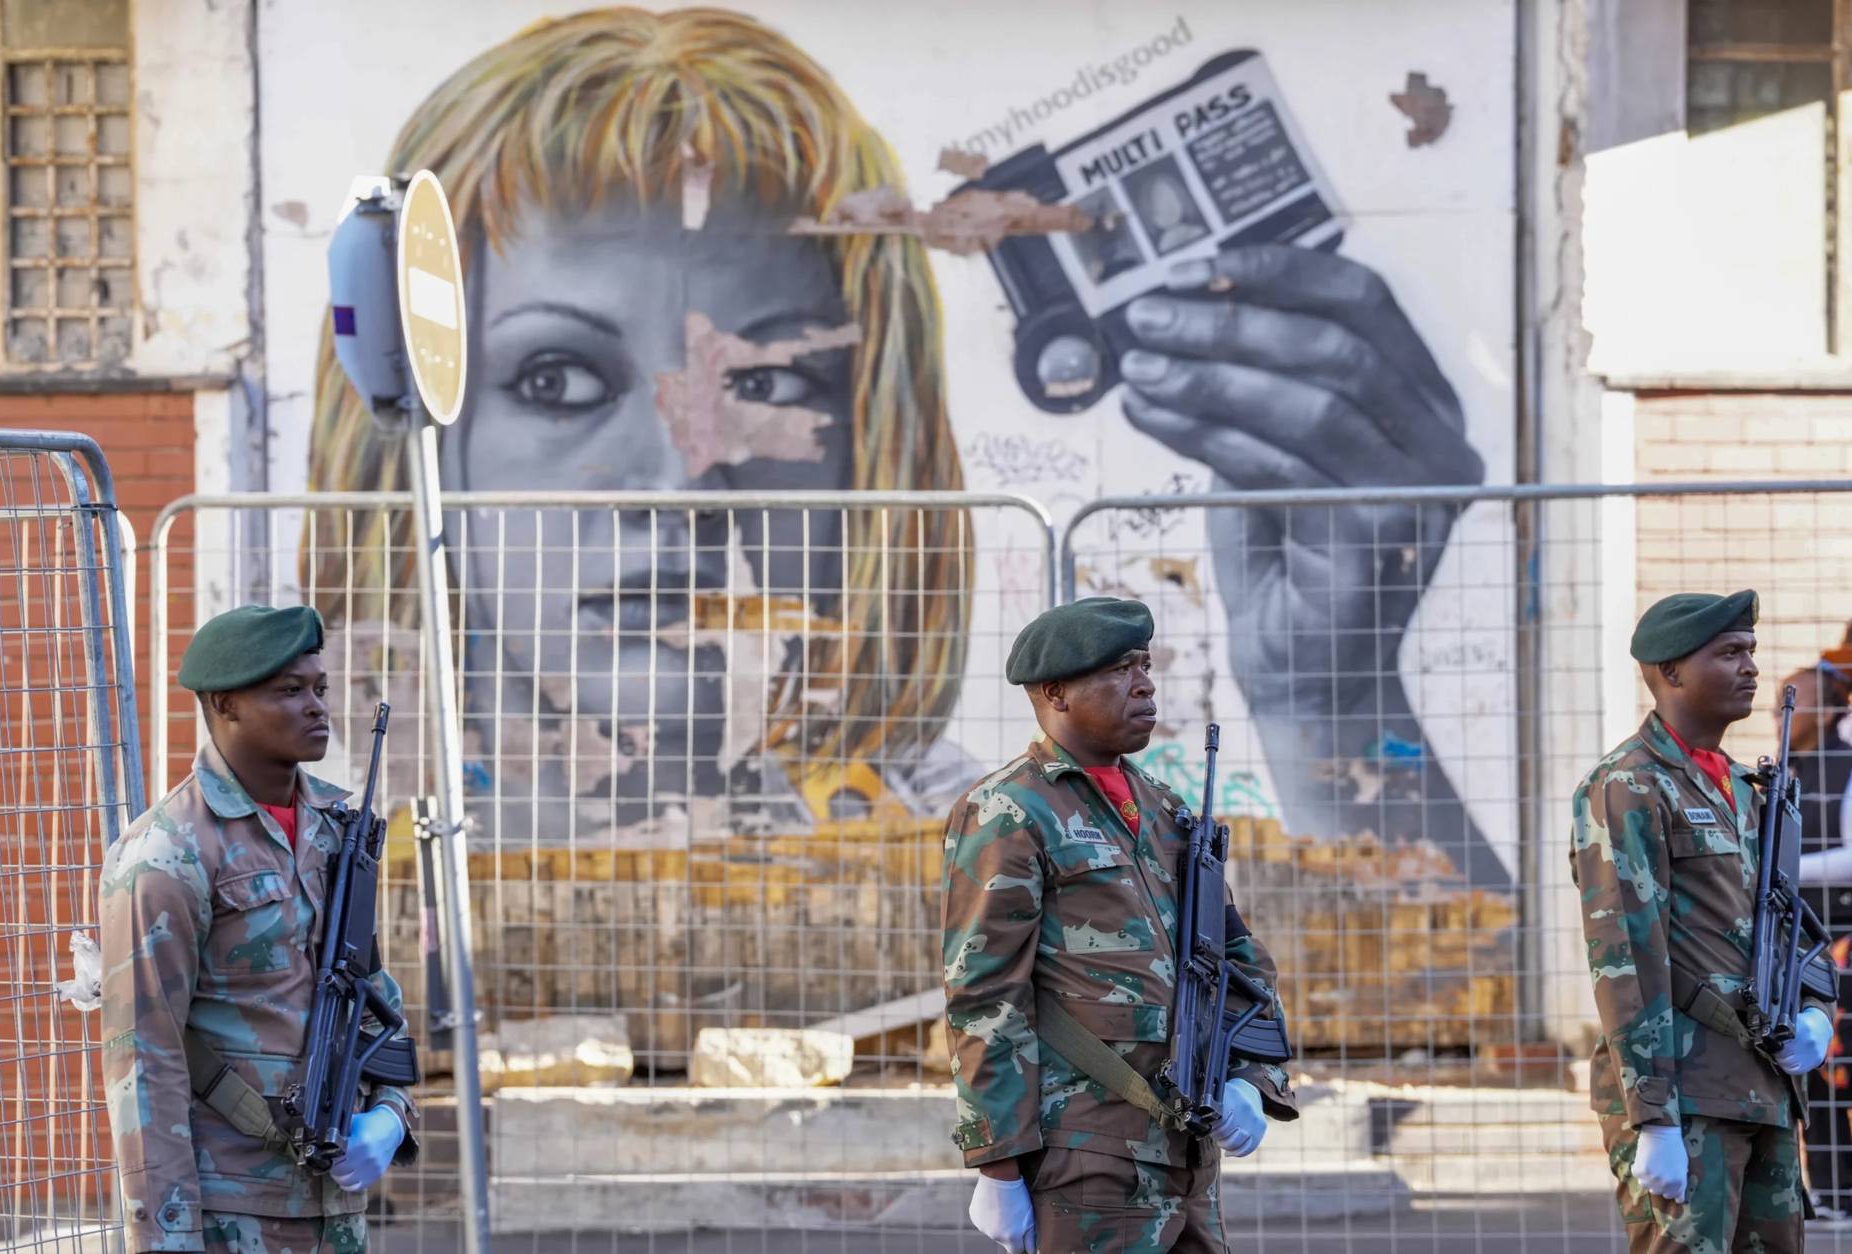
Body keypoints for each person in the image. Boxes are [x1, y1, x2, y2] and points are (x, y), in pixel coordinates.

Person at [302, 8, 1490, 884]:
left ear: (874, 446)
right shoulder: (336, 854)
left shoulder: (986, 836)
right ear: (421, 438)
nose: (682, 479)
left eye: (768, 382)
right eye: (560, 379)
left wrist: (1325, 696)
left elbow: (1410, 1017)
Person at [943, 596, 1297, 1252]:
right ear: (1055, 693)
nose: (1145, 683)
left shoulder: (1167, 810)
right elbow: (986, 996)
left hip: (1187, 1151)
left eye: (1145, 664)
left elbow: (1239, 961)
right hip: (1088, 1159)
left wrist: (1252, 1078)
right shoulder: (1008, 811)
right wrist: (996, 1164)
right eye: (1118, 670)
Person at [100, 605, 417, 1252]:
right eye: (290, 691)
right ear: (226, 705)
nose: (317, 707)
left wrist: (390, 1113)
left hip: (336, 1205)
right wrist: (168, 1240)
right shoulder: (168, 853)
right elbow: (144, 1063)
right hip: (228, 1211)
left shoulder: (337, 832)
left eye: (320, 689)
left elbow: (370, 992)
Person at [1572, 590, 1835, 1252]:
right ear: (1671, 672)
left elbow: (1792, 926)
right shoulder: (1628, 785)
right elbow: (1626, 955)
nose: (1750, 666)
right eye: (1728, 653)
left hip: (1762, 1086)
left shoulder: (1749, 793)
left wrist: (1816, 1011)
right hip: (1685, 1096)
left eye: (1750, 651)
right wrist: (1652, 1115)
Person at [1782, 632, 1852, 1215]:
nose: (1784, 706)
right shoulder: (1785, 768)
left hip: (1841, 938)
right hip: (1797, 940)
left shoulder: (1845, 763)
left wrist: (1777, 869)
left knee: (1839, 1067)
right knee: (1809, 1066)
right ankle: (1824, 1190)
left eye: (1796, 698)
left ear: (1828, 710)